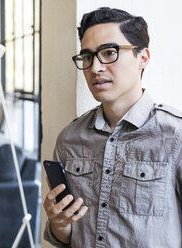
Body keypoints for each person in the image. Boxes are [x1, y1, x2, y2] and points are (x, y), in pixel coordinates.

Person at [43, 7, 182, 248]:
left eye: (109, 52)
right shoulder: (69, 139)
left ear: (143, 58)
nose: (95, 67)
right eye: (87, 57)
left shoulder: (175, 135)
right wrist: (59, 222)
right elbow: (65, 238)